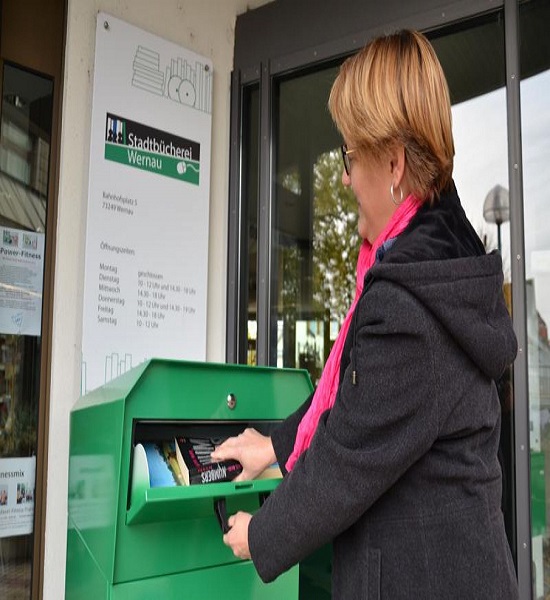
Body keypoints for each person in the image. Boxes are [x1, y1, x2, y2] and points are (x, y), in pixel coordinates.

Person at [212, 29, 519, 599]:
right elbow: (361, 393)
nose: (347, 177)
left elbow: (349, 457)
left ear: (395, 164)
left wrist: (264, 534)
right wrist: (276, 447)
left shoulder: (411, 304)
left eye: (351, 156)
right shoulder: (437, 269)